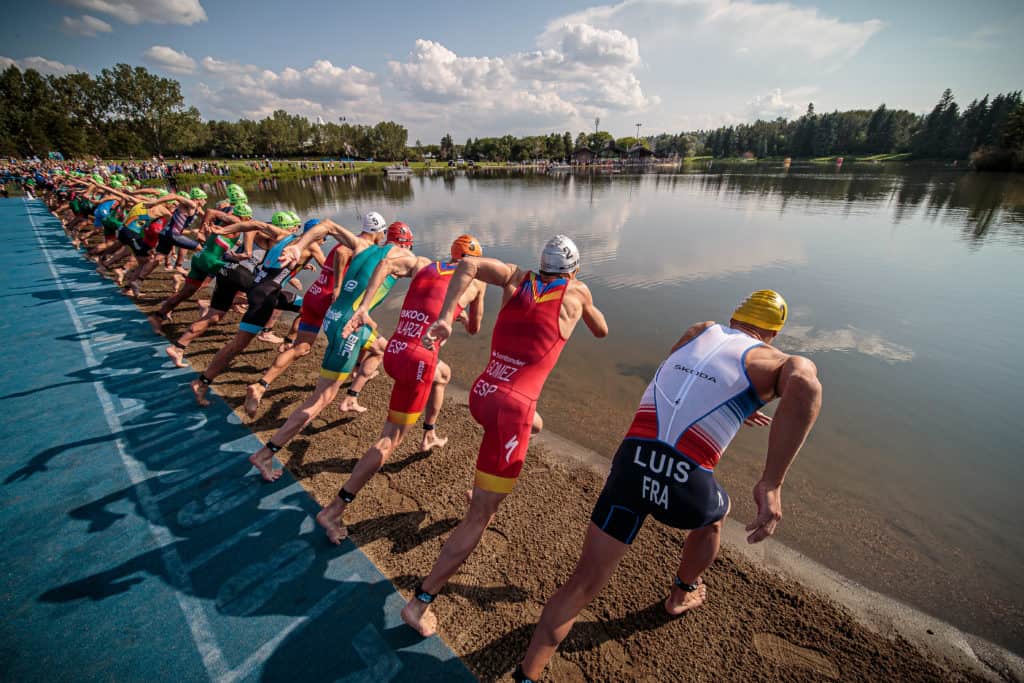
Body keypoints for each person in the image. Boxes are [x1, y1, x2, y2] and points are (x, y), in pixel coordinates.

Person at [510, 290, 823, 683]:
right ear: (774, 333)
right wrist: (771, 483)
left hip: (631, 462)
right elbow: (807, 388)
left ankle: (526, 675)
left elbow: (673, 382)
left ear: (734, 317)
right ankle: (682, 593)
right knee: (713, 517)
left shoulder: (701, 330)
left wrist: (735, 400)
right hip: (683, 481)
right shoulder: (777, 363)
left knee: (583, 582)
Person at [399, 235, 608, 636]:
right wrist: (588, 301)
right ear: (574, 271)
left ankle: (479, 487)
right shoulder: (578, 291)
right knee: (481, 516)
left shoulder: (516, 277)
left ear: (541, 265)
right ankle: (420, 601)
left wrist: (445, 316)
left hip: (483, 393)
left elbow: (468, 265)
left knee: (532, 423)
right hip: (511, 409)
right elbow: (601, 331)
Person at [316, 235, 487, 543]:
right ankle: (334, 509)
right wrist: (458, 316)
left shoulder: (424, 265)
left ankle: (430, 433)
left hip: (395, 349)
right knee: (388, 440)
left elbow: (384, 263)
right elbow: (476, 328)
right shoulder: (475, 282)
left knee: (443, 374)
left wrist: (365, 306)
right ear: (473, 261)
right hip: (417, 360)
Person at [245, 216, 413, 481]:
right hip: (350, 326)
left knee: (379, 348)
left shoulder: (361, 245)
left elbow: (329, 225)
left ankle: (352, 396)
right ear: (405, 243)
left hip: (335, 317)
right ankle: (265, 455)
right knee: (320, 398)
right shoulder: (403, 258)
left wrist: (299, 246)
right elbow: (430, 272)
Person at [190, 215, 326, 406]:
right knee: (238, 344)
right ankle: (202, 382)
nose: (324, 240)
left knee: (305, 307)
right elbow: (330, 269)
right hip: (265, 297)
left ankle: (288, 342)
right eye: (323, 237)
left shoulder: (282, 234)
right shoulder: (312, 246)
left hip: (259, 288)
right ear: (316, 235)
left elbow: (253, 224)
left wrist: (224, 230)